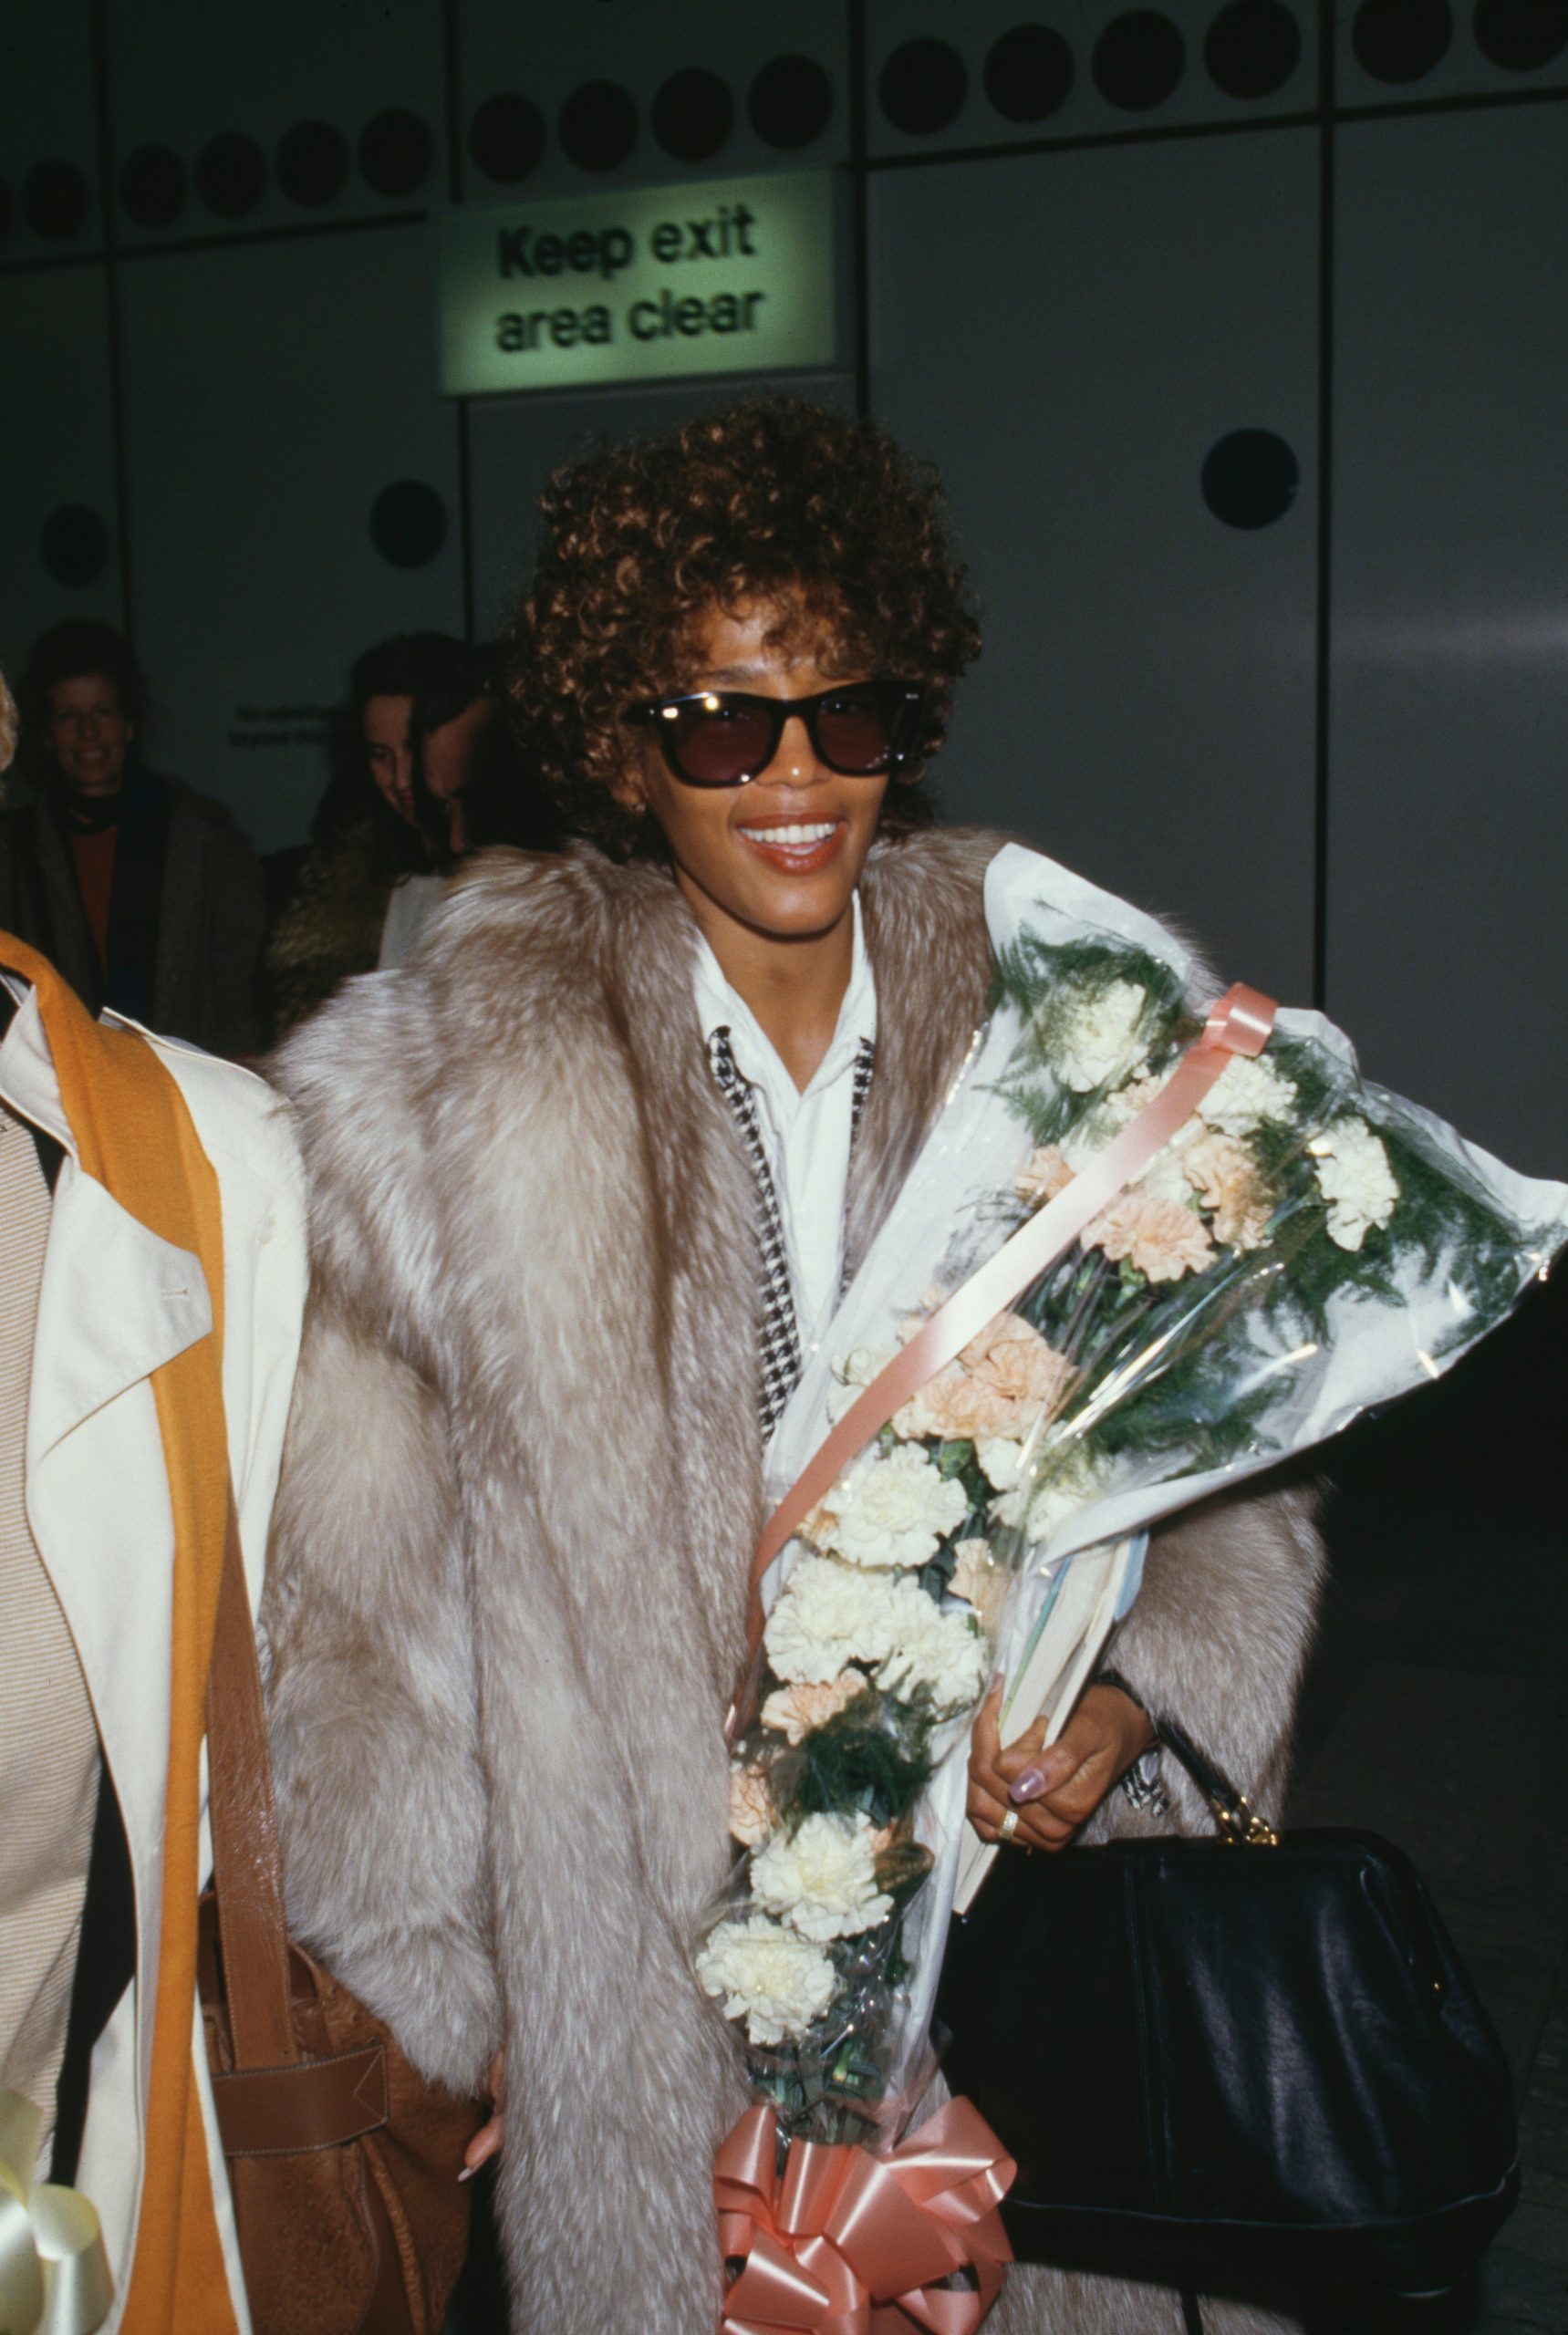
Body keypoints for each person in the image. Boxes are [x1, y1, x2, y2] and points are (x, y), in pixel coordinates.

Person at [260, 400, 1324, 2335]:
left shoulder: (1060, 1009)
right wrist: (459, 2009)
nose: (793, 778)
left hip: (1011, 1913)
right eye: (718, 723)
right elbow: (346, 1622)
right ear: (617, 741)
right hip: (653, 1975)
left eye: (848, 713)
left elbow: (1225, 1440)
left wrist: (1140, 1694)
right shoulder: (438, 1100)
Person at [0, 670, 307, 2328]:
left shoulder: (219, 1177)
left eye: (120, 709)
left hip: (66, 2162)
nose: (96, 736)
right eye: (80, 713)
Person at [265, 632, 557, 1037]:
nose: (401, 779)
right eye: (380, 756)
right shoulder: (342, 880)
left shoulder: (526, 874)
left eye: (413, 750)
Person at [0, 619, 268, 1054]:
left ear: (129, 725)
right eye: (69, 716)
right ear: (47, 736)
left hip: (190, 1087)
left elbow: (243, 996)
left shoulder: (206, 839)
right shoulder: (15, 853)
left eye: (103, 712)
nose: (88, 733)